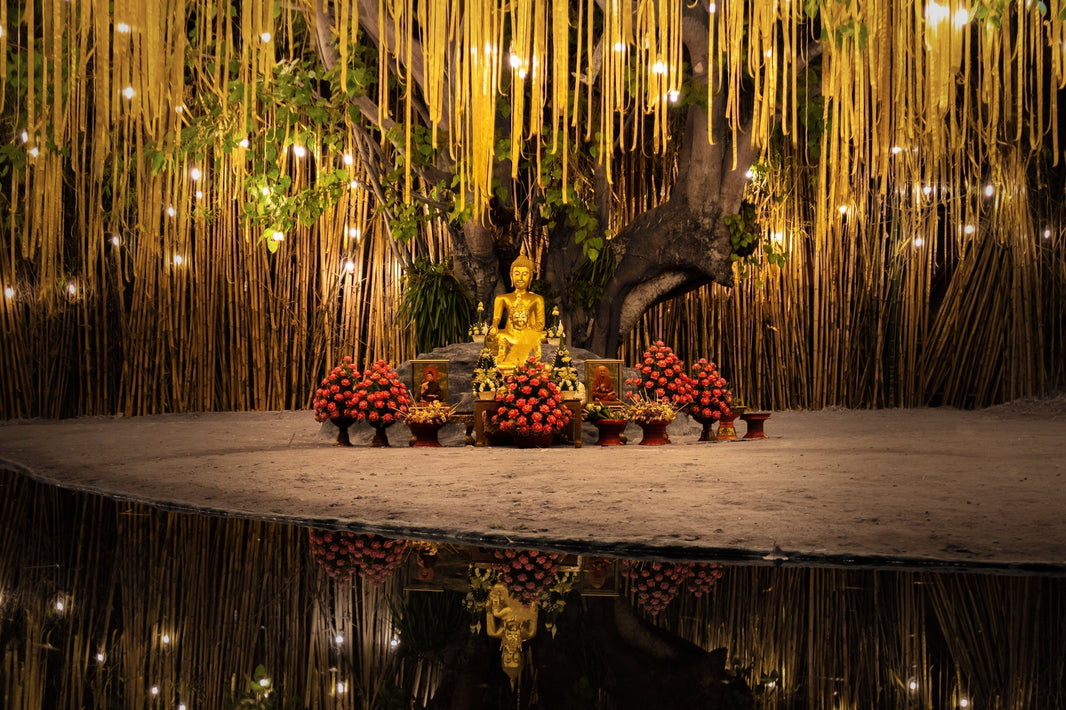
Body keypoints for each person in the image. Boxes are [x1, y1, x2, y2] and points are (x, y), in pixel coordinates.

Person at [488, 253, 546, 369]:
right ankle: (501, 358)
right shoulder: (502, 298)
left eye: (525, 274)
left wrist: (527, 333)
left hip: (528, 333)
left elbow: (541, 324)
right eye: (517, 274)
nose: (520, 278)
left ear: (530, 277)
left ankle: (532, 361)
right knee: (498, 336)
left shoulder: (537, 299)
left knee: (541, 336)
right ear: (511, 276)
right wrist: (494, 326)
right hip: (509, 333)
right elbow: (496, 319)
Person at [485, 583, 538, 690]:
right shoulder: (529, 633)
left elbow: (488, 608)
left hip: (502, 599)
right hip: (523, 599)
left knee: (496, 612)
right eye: (515, 659)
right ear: (521, 657)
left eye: (508, 659)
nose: (511, 655)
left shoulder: (493, 632)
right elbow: (534, 609)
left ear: (502, 657)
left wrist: (495, 602)